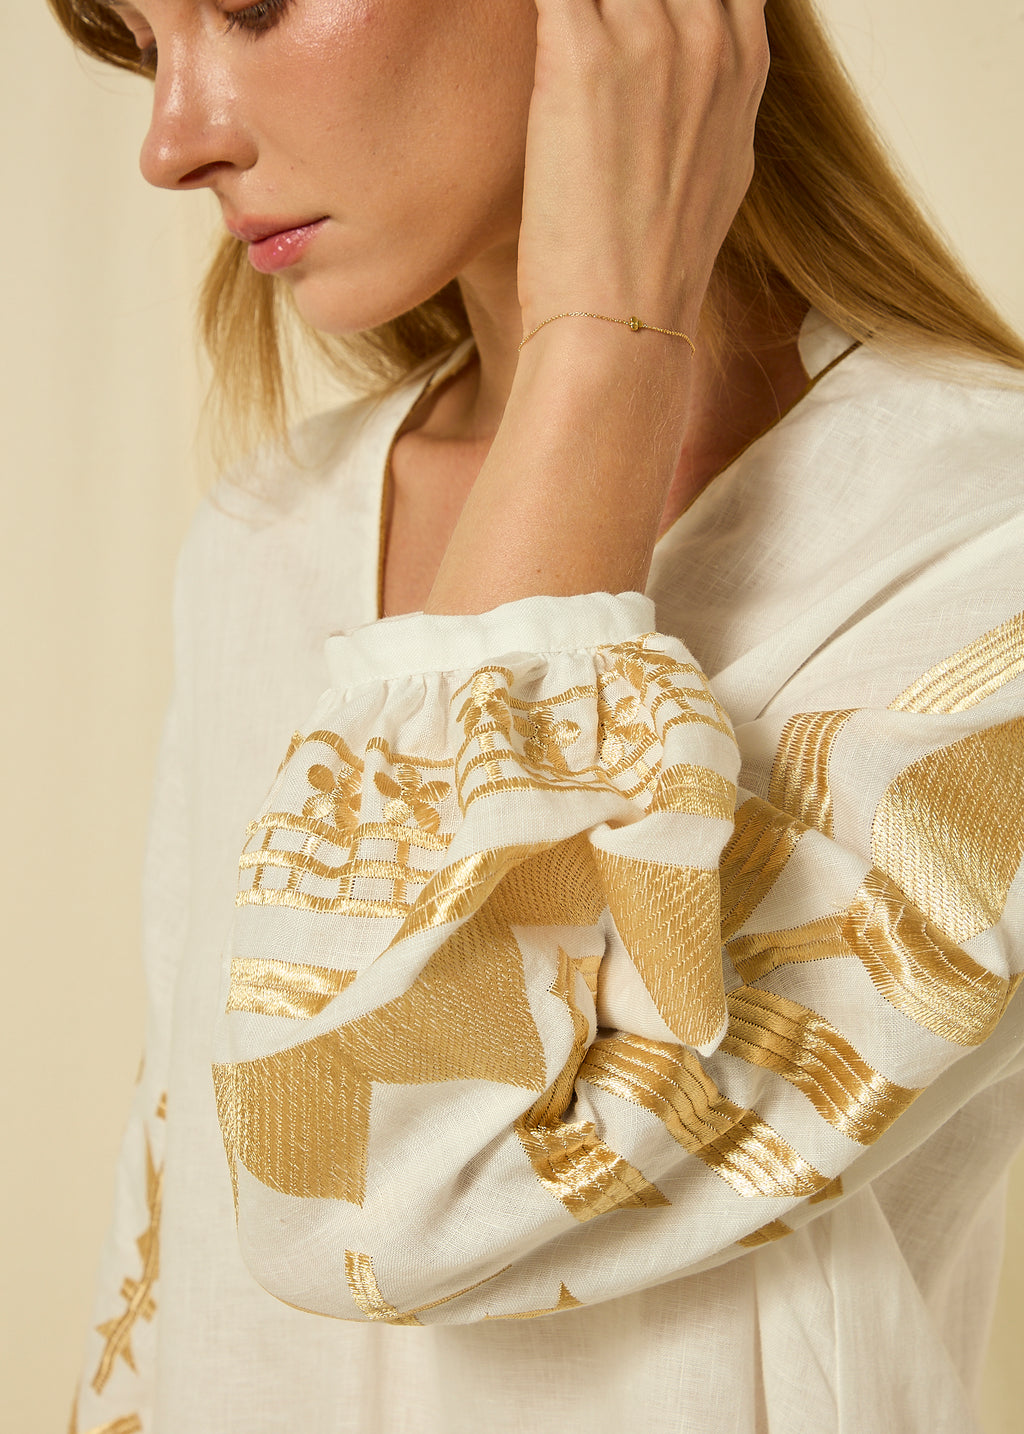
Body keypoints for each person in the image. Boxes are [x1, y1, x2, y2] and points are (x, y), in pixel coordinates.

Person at [49, 0, 1024, 1431]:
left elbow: (383, 1194)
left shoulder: (981, 551)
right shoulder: (268, 536)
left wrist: (603, 349)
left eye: (252, 5)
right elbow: (172, 1274)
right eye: (142, 46)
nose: (170, 142)